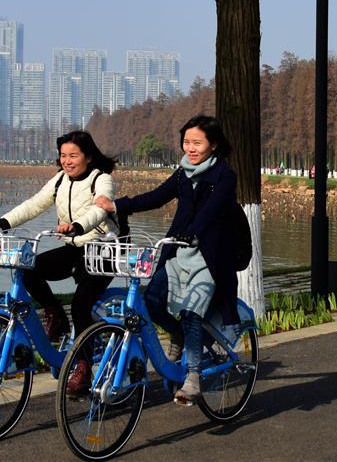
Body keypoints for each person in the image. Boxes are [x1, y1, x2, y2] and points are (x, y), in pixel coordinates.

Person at [95, 115, 237, 406]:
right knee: (151, 303)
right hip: (178, 253)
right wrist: (116, 205)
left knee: (191, 314)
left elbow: (211, 211)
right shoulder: (183, 172)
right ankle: (177, 336)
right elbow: (157, 197)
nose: (191, 148)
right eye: (187, 142)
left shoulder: (224, 175)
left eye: (197, 142)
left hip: (209, 258)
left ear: (214, 144)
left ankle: (193, 378)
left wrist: (192, 233)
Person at [0, 130, 120, 394]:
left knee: (81, 306)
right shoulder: (59, 181)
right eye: (63, 156)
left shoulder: (101, 180)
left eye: (73, 155)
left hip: (104, 252)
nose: (67, 161)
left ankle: (83, 367)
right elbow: (34, 204)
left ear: (88, 157)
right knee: (29, 269)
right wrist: (3, 222)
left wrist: (79, 225)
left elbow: (100, 209)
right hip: (74, 248)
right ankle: (54, 314)